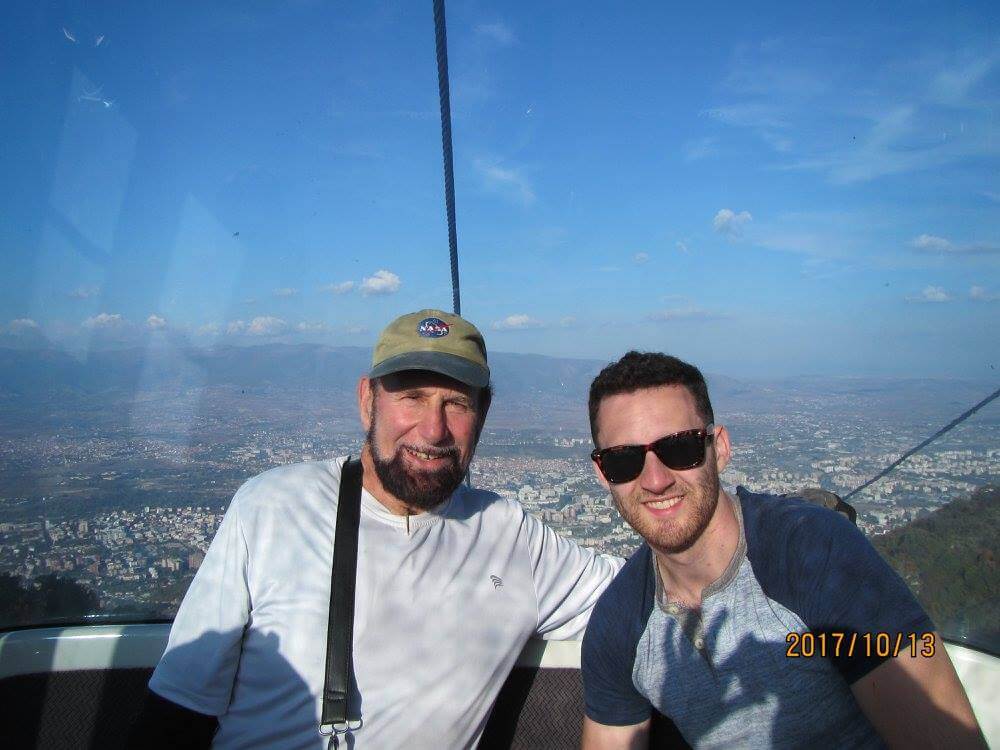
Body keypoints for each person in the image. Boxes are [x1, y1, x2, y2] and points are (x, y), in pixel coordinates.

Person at [137, 309, 623, 749]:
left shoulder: (510, 536)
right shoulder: (271, 509)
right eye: (412, 398)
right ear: (368, 400)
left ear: (483, 414)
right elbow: (179, 711)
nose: (433, 430)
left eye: (456, 403)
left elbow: (638, 598)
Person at [580, 351, 985, 749]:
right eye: (624, 460)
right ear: (602, 473)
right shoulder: (620, 622)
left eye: (679, 448)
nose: (655, 480)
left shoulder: (814, 553)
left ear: (719, 449)